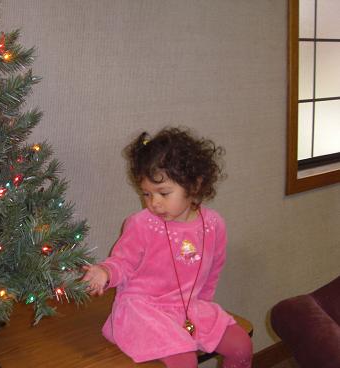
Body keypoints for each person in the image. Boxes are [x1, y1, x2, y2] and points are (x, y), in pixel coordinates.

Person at [82, 127, 252, 368]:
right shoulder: (141, 224)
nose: (154, 203)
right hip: (143, 310)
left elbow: (213, 270)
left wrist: (201, 307)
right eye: (147, 194)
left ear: (194, 185)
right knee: (185, 360)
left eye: (163, 193)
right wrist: (105, 272)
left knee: (241, 346)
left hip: (187, 307)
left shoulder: (213, 224)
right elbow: (122, 262)